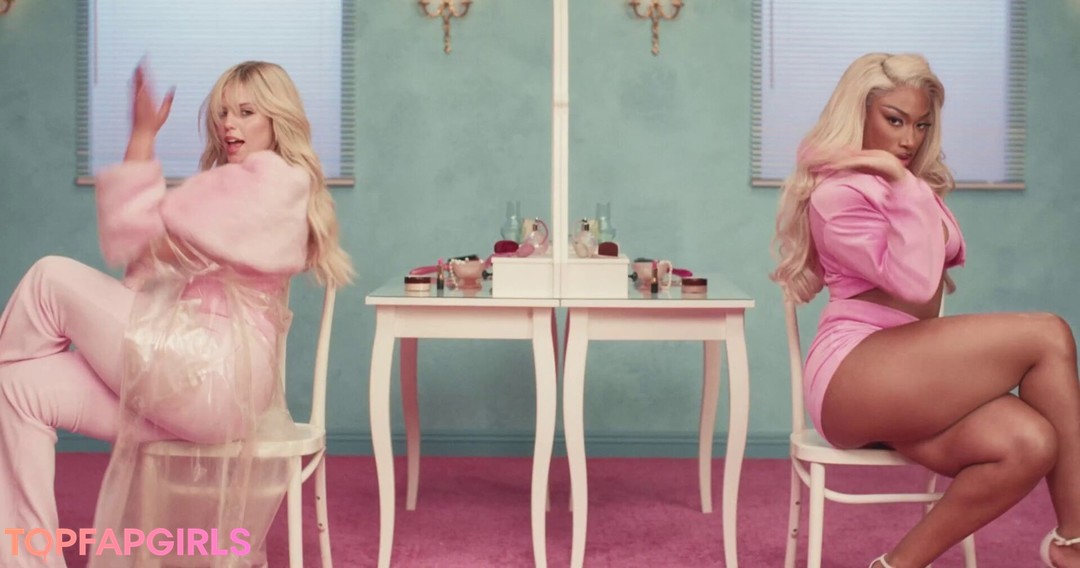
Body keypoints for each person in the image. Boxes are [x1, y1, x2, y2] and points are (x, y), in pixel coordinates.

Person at [0, 61, 353, 567]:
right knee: (16, 387)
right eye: (223, 113)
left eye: (246, 112)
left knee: (50, 275)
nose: (229, 124)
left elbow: (135, 232)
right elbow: (141, 256)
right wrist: (143, 144)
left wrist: (143, 136)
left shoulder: (277, 182)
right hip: (181, 380)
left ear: (277, 120)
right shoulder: (226, 190)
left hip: (216, 378)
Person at [771, 52, 1080, 568]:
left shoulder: (902, 184)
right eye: (894, 120)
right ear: (859, 113)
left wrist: (902, 182)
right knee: (1048, 334)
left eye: (921, 125)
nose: (909, 139)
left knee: (1030, 441)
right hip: (853, 376)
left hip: (908, 378)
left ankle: (897, 565)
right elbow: (915, 285)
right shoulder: (839, 194)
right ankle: (1075, 542)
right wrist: (901, 181)